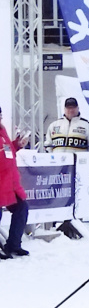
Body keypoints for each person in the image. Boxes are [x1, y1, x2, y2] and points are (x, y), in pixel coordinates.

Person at [1, 105, 30, 259]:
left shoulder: (2, 131)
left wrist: (17, 145)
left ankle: (14, 244)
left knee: (22, 207)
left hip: (8, 184)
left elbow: (7, 150)